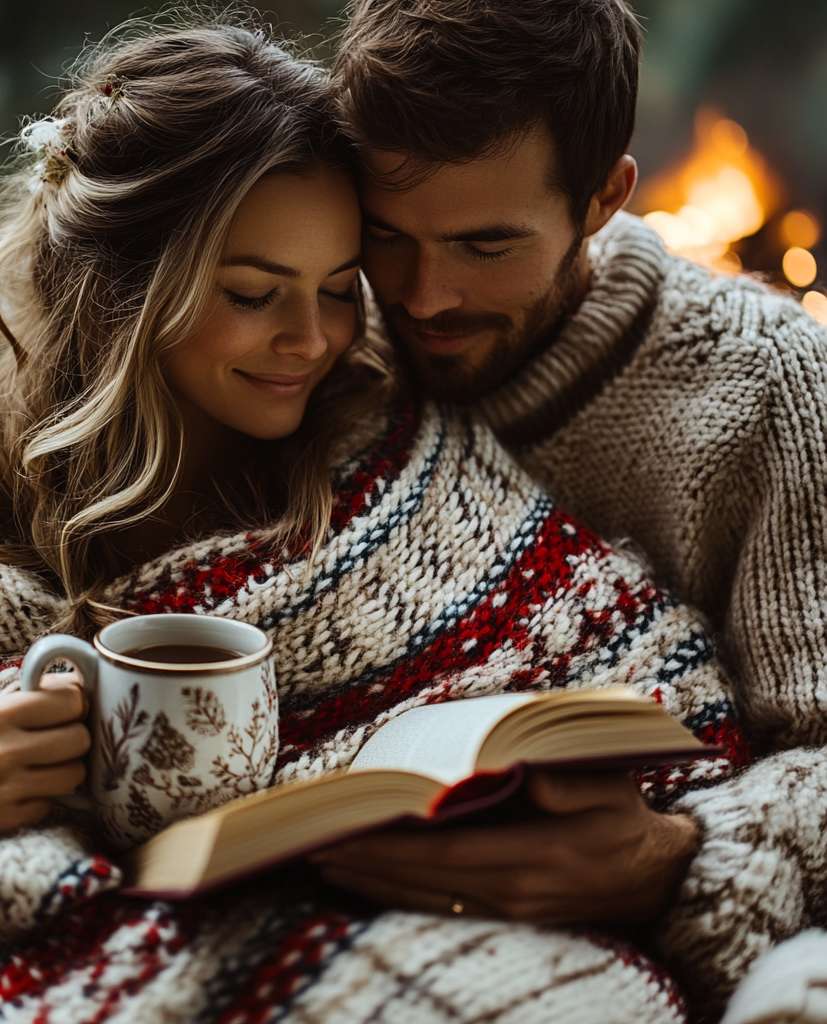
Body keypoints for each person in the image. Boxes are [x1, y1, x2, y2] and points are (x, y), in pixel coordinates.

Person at [0, 14, 747, 1024]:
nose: (311, 340)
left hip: (359, 931)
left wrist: (631, 845)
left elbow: (672, 712)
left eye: (341, 290)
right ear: (122, 289)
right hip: (5, 953)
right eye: (255, 294)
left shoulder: (403, 467)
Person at [320, 0, 827, 1018]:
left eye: (484, 245)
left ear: (603, 197)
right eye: (387, 235)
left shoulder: (769, 386)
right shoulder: (318, 337)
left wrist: (678, 856)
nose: (421, 297)